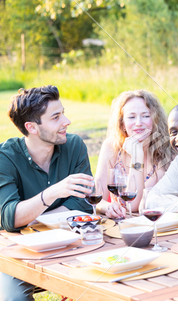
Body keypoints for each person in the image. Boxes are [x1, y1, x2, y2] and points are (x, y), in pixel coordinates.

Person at [0, 85, 94, 300]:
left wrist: (33, 218)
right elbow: (9, 217)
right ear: (32, 127)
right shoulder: (5, 157)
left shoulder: (74, 145)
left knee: (104, 287)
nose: (66, 121)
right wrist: (51, 193)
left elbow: (84, 203)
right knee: (12, 300)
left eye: (63, 113)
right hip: (17, 252)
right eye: (56, 117)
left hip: (70, 244)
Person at [95, 90, 174, 219]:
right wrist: (107, 207)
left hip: (157, 227)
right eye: (131, 117)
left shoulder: (165, 151)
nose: (138, 123)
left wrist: (137, 156)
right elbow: (98, 197)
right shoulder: (111, 147)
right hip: (119, 227)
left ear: (155, 120)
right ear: (122, 123)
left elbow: (133, 206)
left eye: (145, 116)